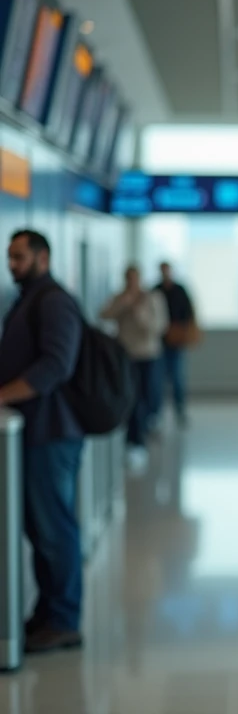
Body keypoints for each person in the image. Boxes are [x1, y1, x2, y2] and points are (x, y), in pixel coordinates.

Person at [0, 230, 86, 653]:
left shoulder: (53, 302)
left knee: (55, 529)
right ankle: (48, 615)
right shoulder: (29, 300)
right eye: (9, 257)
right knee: (40, 528)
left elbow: (56, 365)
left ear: (42, 256)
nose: (12, 264)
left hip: (52, 435)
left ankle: (65, 619)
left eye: (19, 257)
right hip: (34, 434)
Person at [101, 265, 168, 469]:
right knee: (133, 398)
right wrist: (123, 305)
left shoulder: (152, 298)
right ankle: (135, 441)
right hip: (126, 356)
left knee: (148, 395)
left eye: (134, 279)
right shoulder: (120, 297)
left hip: (148, 355)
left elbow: (160, 327)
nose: (131, 283)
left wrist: (139, 312)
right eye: (127, 279)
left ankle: (146, 427)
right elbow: (104, 315)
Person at [153, 262, 197, 427]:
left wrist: (183, 330)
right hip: (160, 342)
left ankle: (180, 410)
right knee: (157, 380)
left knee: (178, 378)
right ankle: (156, 414)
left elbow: (189, 312)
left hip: (177, 341)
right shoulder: (156, 290)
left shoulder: (180, 290)